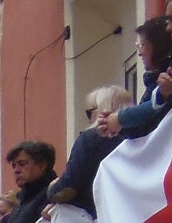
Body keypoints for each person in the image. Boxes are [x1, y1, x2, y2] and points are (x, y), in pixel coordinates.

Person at [45, 86, 130, 216]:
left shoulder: (91, 139)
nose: (89, 119)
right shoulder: (138, 137)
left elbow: (70, 186)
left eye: (90, 112)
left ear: (103, 109)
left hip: (94, 218)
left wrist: (52, 189)